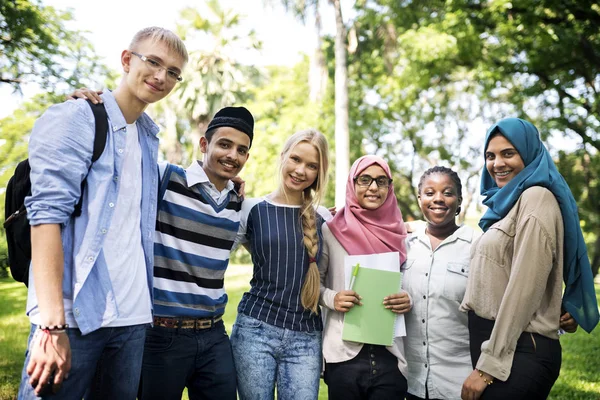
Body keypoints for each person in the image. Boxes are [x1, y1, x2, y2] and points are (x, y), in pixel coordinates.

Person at [19, 27, 188, 400]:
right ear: (127, 60)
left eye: (173, 72)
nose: (162, 77)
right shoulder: (77, 117)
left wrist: (229, 182)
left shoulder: (148, 138)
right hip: (73, 318)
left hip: (131, 320)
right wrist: (51, 326)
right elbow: (46, 217)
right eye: (153, 62)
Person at [460, 118, 600, 399]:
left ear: (530, 153)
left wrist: (488, 367)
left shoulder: (536, 198)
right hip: (501, 345)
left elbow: (524, 288)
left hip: (520, 351)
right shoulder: (510, 204)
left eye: (508, 153)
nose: (497, 163)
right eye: (490, 155)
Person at [138, 107, 253, 399]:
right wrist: (94, 105)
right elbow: (120, 154)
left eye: (241, 150)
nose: (232, 155)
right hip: (162, 334)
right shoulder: (165, 178)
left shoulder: (237, 204)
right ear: (204, 145)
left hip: (214, 335)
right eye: (224, 145)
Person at [230, 129, 330, 400]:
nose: (301, 170)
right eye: (296, 159)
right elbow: (214, 250)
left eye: (312, 166)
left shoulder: (323, 219)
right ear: (283, 157)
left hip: (306, 337)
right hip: (255, 331)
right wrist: (224, 192)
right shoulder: (251, 209)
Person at [319, 155, 410, 399]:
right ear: (352, 182)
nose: (373, 187)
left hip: (390, 356)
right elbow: (312, 284)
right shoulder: (331, 230)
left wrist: (407, 298)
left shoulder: (402, 234)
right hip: (343, 354)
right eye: (365, 180)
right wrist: (332, 297)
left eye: (381, 181)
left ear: (389, 188)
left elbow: (413, 284)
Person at [402, 166, 477, 400]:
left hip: (458, 382)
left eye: (447, 192)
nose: (438, 199)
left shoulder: (478, 244)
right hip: (409, 381)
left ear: (459, 200)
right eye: (429, 192)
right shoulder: (403, 243)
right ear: (420, 199)